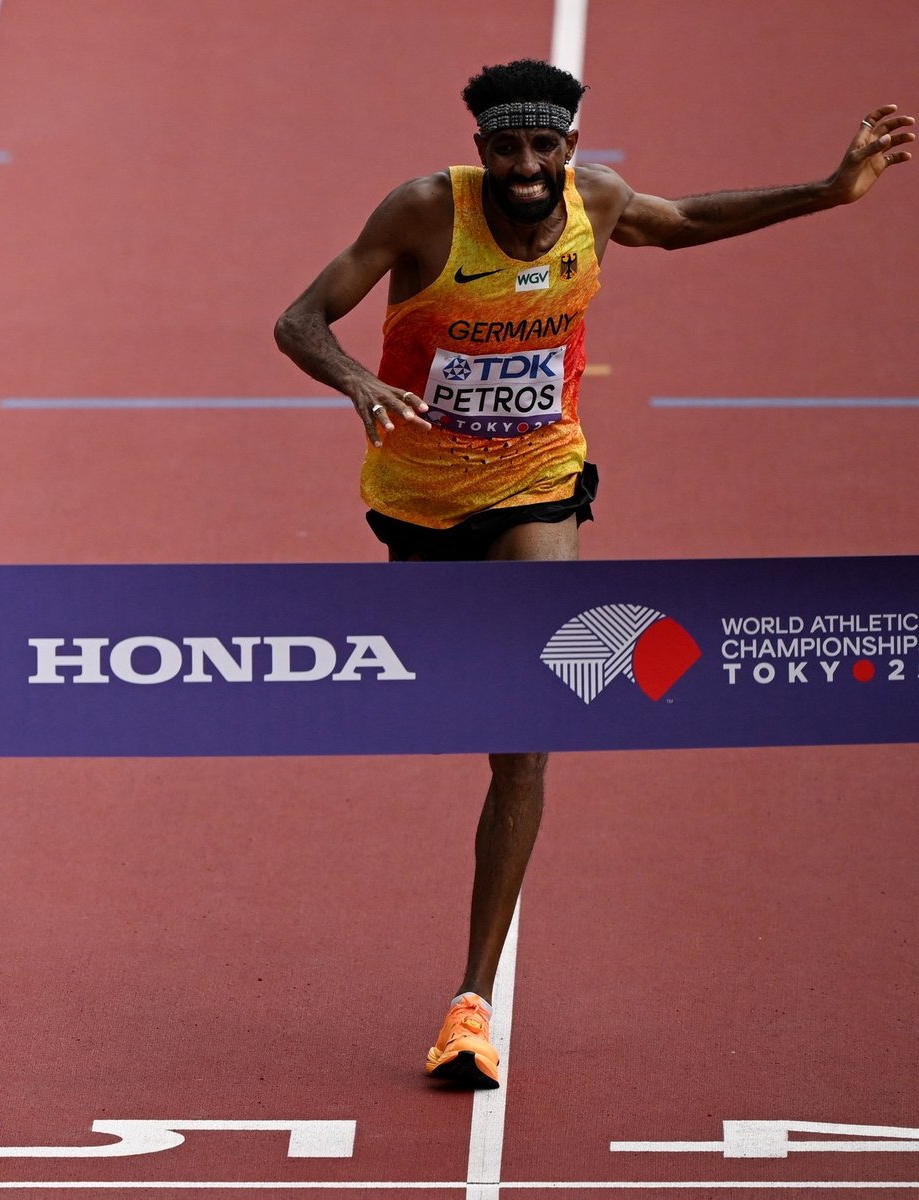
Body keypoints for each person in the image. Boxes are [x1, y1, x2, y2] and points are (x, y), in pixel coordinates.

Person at [274, 58, 911, 1087]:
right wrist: (354, 379)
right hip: (418, 496)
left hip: (538, 476)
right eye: (505, 148)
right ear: (479, 150)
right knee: (442, 701)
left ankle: (469, 1004)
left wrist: (825, 192)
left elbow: (681, 221)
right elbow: (299, 319)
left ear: (571, 145)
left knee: (527, 728)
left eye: (543, 146)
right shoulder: (424, 212)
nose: (525, 166)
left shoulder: (597, 199)